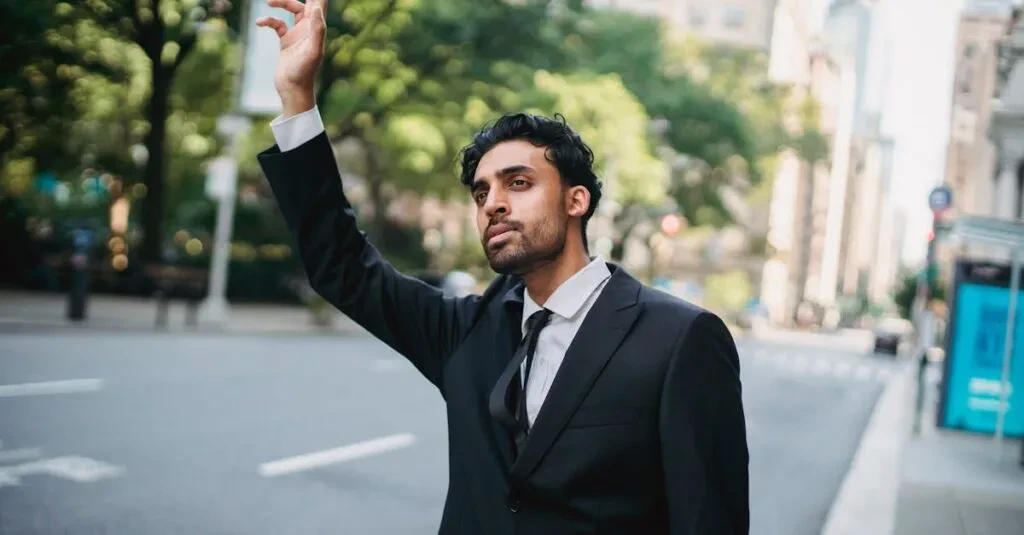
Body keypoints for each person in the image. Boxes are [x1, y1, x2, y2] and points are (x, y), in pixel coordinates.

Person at [256, 0, 749, 532]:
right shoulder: (465, 333)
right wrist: (298, 98)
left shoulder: (680, 339)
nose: (492, 202)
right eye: (481, 191)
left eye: (519, 183)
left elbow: (708, 518)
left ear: (576, 200)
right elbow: (342, 266)